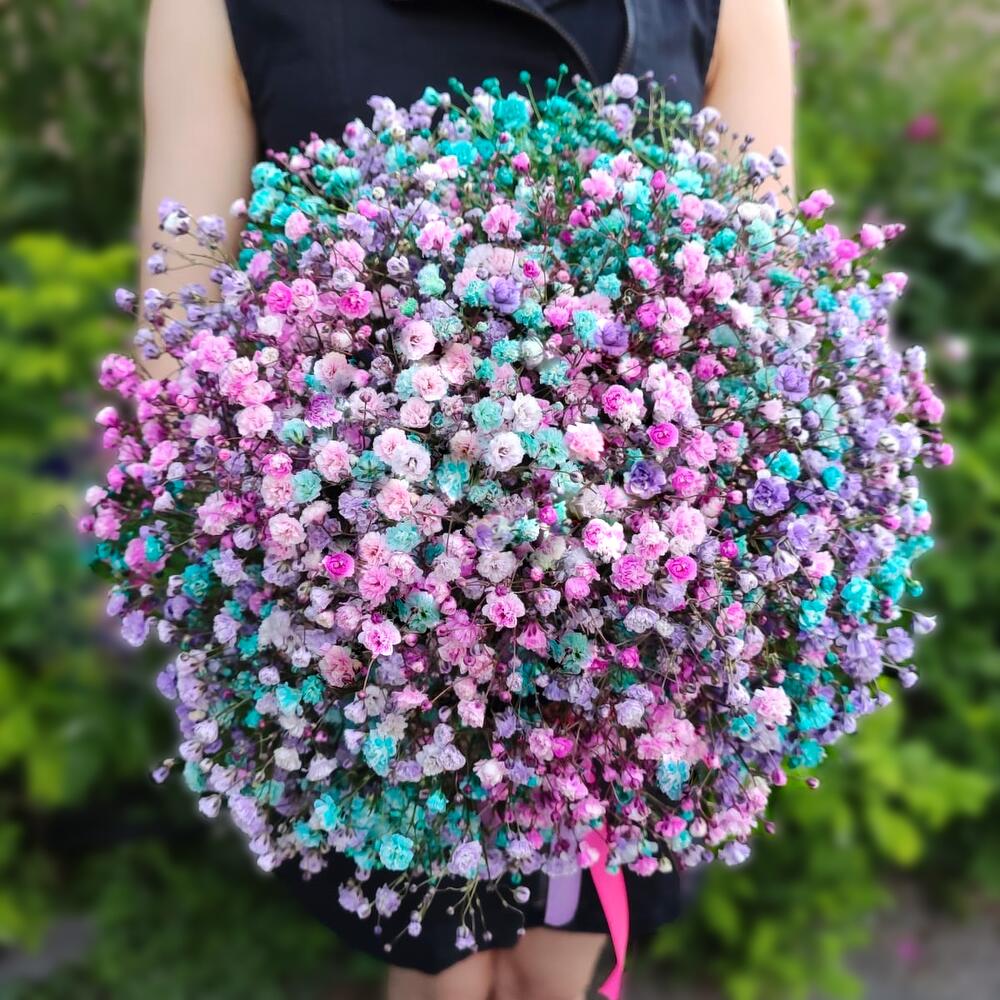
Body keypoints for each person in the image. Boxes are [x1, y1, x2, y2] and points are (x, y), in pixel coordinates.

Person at [139, 3, 794, 998]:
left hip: (629, 616)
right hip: (358, 622)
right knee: (438, 971)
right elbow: (177, 334)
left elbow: (762, 303)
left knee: (558, 963)